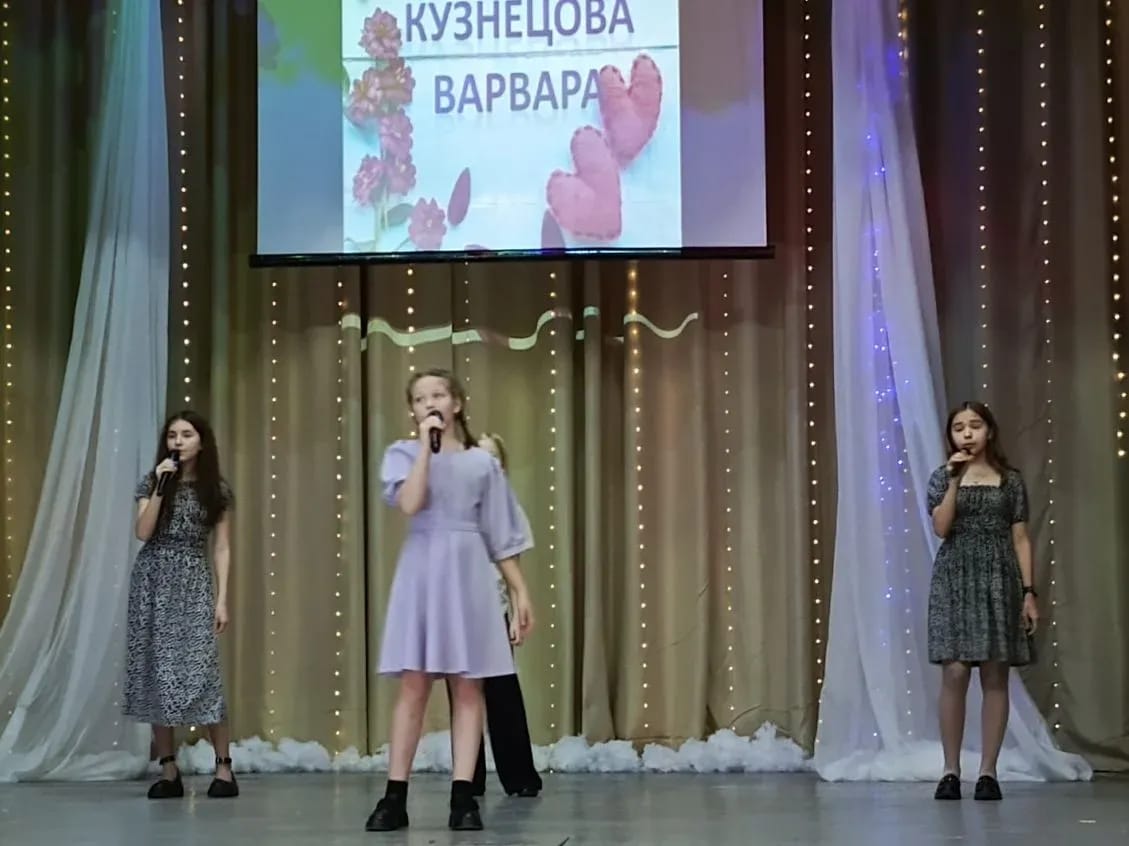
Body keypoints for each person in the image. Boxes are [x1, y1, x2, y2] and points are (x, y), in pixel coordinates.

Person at [365, 369, 536, 833]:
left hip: (469, 572)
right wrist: (426, 447)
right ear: (412, 411)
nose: (430, 403)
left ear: (456, 403)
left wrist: (520, 591)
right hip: (422, 570)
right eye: (420, 398)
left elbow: (501, 535)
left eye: (438, 394)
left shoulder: (483, 464)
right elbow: (410, 503)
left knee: (468, 685)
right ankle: (394, 796)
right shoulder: (402, 454)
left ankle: (463, 796)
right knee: (414, 684)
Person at [926, 401, 1039, 802]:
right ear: (951, 436)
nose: (967, 433)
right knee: (955, 673)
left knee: (994, 673)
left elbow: (1020, 538)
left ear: (989, 431)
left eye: (975, 425)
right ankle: (950, 771)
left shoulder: (1010, 481)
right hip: (955, 578)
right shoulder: (942, 476)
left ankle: (988, 772)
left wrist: (1028, 592)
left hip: (998, 578)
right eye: (959, 427)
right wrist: (954, 480)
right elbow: (941, 527)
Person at [124, 410, 238, 799]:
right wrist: (161, 485)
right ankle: (169, 769)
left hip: (192, 579)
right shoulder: (152, 481)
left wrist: (222, 599)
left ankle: (224, 768)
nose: (178, 441)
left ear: (201, 442)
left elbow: (222, 547)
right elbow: (143, 532)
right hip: (153, 580)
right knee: (157, 674)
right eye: (172, 435)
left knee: (203, 674)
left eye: (187, 434)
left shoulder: (216, 489)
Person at [444, 432, 543, 799]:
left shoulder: (509, 509)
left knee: (502, 693)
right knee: (462, 694)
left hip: (492, 609)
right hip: (457, 609)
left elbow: (512, 566)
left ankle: (519, 776)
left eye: (492, 459)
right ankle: (468, 778)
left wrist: (517, 611)